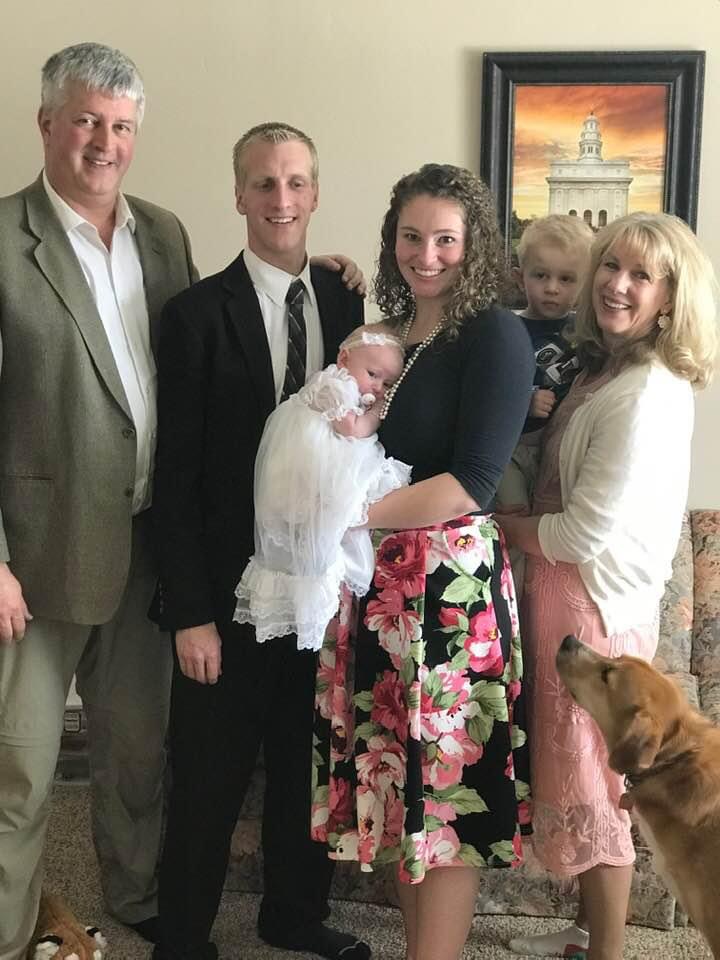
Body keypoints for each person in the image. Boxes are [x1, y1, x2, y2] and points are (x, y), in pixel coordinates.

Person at [151, 122, 370, 960]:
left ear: (315, 192)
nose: (282, 199)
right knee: (206, 776)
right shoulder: (195, 316)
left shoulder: (345, 302)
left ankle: (294, 916)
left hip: (317, 591)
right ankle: (182, 938)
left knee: (303, 763)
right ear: (239, 194)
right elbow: (174, 475)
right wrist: (189, 613)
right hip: (227, 594)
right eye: (265, 183)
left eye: (296, 181)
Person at [0, 42, 199, 960]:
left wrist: (309, 275)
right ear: (47, 123)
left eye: (121, 126)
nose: (104, 142)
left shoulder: (163, 233)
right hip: (37, 556)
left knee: (135, 751)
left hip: (146, 543)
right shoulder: (5, 240)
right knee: (21, 767)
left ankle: (135, 895)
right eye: (86, 120)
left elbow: (200, 352)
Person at [311, 163, 536, 960]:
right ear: (392, 240)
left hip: (449, 596)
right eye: (412, 236)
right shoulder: (396, 336)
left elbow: (471, 483)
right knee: (404, 793)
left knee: (442, 800)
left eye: (446, 239)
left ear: (474, 246)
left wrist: (349, 516)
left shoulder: (495, 334)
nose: (427, 254)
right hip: (382, 591)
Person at [497, 212, 718, 960]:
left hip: (592, 606)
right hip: (570, 596)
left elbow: (578, 535)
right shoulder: (605, 367)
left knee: (598, 791)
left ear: (670, 297)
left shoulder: (645, 391)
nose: (617, 284)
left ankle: (606, 952)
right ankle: (589, 931)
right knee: (576, 778)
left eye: (641, 275)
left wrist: (506, 528)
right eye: (611, 265)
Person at [234, 324, 411, 652]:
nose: (378, 387)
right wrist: (378, 412)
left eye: (387, 383)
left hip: (319, 457)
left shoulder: (345, 384)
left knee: (333, 519)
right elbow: (351, 428)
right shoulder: (336, 384)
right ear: (344, 358)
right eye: (373, 374)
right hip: (311, 457)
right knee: (338, 503)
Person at [496, 214, 594, 594]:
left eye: (566, 279)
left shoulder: (587, 334)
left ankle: (539, 597)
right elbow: (489, 391)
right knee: (512, 521)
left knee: (549, 529)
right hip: (512, 449)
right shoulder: (507, 328)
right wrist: (523, 403)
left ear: (584, 283)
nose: (552, 288)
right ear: (520, 277)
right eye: (541, 276)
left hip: (561, 453)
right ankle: (510, 598)